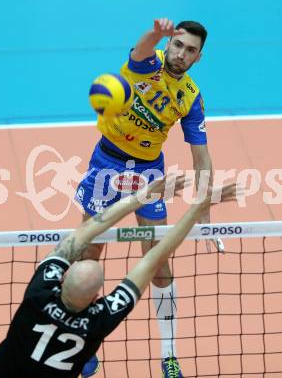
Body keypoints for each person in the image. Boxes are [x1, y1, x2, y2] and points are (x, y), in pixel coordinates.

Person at [75, 18, 217, 376]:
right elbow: (140, 48)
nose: (181, 53)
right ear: (168, 44)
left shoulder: (190, 97)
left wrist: (204, 208)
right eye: (178, 45)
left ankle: (169, 355)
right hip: (106, 163)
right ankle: (85, 343)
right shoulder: (145, 63)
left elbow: (201, 156)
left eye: (190, 50)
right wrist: (157, 32)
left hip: (147, 173)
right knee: (88, 256)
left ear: (198, 58)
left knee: (157, 261)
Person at [0, 174, 238, 378]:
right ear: (96, 298)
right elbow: (153, 259)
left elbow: (88, 230)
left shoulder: (39, 293)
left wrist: (139, 198)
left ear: (62, 278)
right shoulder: (98, 320)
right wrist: (196, 210)